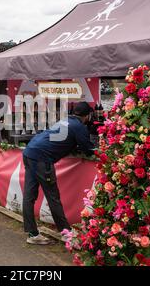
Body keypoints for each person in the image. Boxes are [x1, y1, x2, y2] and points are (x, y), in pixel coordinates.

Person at [22, 101, 95, 245]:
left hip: (29, 152)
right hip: (42, 159)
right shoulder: (79, 126)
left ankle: (32, 234)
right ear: (87, 116)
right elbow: (89, 149)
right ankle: (66, 233)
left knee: (29, 196)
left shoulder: (65, 120)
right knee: (53, 197)